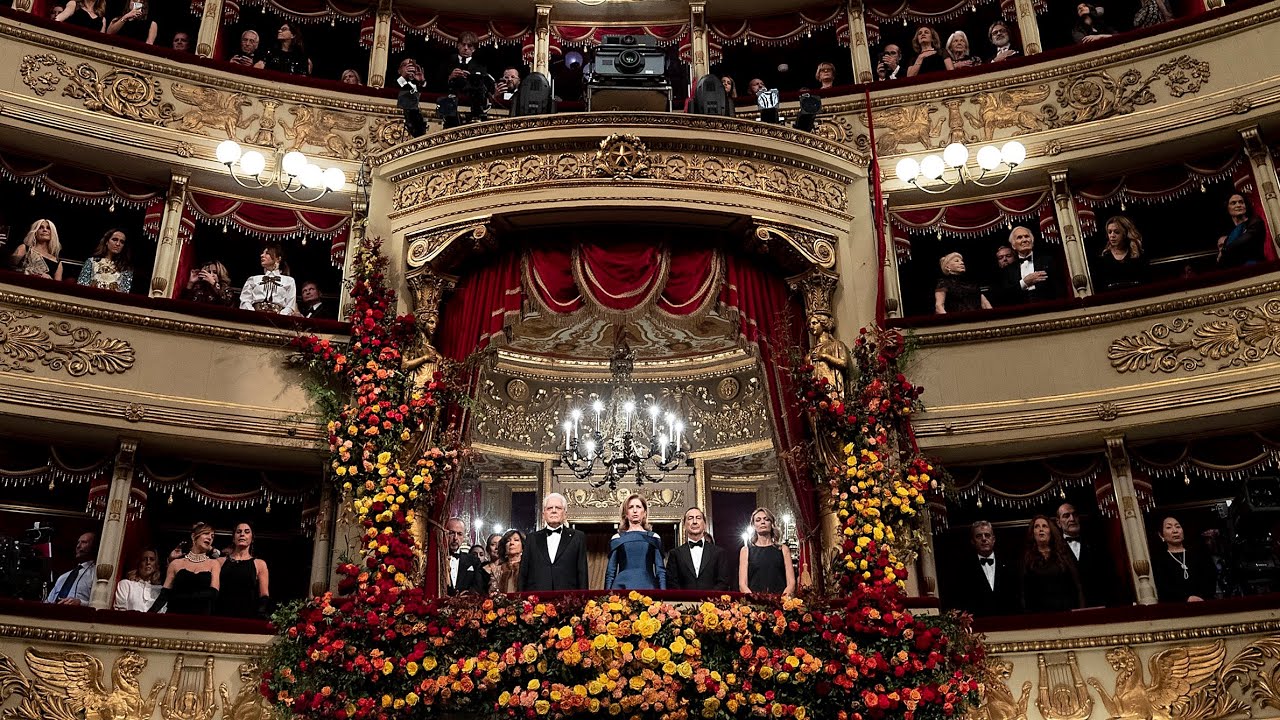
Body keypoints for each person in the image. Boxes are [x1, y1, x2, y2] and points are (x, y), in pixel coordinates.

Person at [518, 493, 588, 591]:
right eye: (549, 508)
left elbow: (582, 573)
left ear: (565, 514)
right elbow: (523, 573)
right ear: (543, 514)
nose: (554, 511)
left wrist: (583, 597)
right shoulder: (531, 539)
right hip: (537, 596)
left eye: (558, 508)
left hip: (568, 597)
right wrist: (520, 598)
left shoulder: (578, 537)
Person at [948, 521, 1018, 616]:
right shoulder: (964, 569)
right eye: (979, 536)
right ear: (973, 541)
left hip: (1008, 620)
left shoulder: (1009, 564)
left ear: (993, 539)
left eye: (987, 535)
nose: (984, 539)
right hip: (978, 622)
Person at [1056, 502, 1119, 607]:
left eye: (1075, 515)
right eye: (1066, 516)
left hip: (1098, 606)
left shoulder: (1095, 544)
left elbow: (1109, 578)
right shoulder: (1055, 549)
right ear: (1058, 522)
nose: (1072, 519)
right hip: (1069, 608)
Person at [151, 522, 221, 614]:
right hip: (175, 615)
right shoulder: (176, 563)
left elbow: (213, 593)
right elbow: (164, 595)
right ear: (193, 536)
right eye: (206, 533)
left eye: (212, 536)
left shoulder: (214, 564)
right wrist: (147, 616)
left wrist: (179, 596)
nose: (210, 538)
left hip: (200, 617)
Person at [1019, 514, 1084, 613]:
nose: (1041, 529)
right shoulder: (1026, 559)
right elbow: (1023, 592)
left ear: (1051, 531)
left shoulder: (1063, 555)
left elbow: (1076, 585)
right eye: (1037, 527)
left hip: (1065, 611)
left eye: (1044, 526)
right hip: (1038, 614)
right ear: (1032, 533)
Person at [604, 494, 668, 590]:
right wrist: (606, 596)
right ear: (626, 513)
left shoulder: (654, 537)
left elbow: (660, 571)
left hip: (649, 588)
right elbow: (610, 573)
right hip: (621, 589)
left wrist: (664, 595)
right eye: (630, 507)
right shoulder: (617, 538)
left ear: (645, 512)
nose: (635, 510)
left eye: (638, 507)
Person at [1152, 516, 1216, 603]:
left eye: (1178, 526)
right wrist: (1186, 598)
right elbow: (1163, 587)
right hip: (1177, 607)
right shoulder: (1159, 560)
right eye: (1169, 527)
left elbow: (1211, 578)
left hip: (1205, 603)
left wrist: (1201, 597)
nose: (1175, 531)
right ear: (1161, 535)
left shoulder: (1200, 554)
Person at [215, 522, 270, 619]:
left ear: (252, 538)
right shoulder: (219, 562)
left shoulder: (260, 564)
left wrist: (261, 614)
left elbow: (264, 595)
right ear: (233, 538)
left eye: (247, 532)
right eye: (238, 532)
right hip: (221, 615)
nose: (242, 534)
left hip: (247, 617)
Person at [666, 507, 729, 591]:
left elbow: (723, 582)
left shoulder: (719, 553)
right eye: (690, 518)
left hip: (712, 599)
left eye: (698, 518)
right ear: (684, 525)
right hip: (683, 599)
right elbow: (672, 583)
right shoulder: (675, 554)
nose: (694, 521)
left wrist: (709, 598)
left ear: (705, 524)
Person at [739, 507, 795, 595]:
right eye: (758, 520)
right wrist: (754, 600)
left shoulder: (783, 549)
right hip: (754, 600)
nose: (762, 522)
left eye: (766, 519)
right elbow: (742, 584)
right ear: (753, 525)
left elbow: (791, 583)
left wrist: (783, 599)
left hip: (780, 600)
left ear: (771, 523)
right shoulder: (746, 551)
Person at [998, 226, 1060, 304]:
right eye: (1019, 237)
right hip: (1021, 309)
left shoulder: (1047, 260)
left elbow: (1058, 287)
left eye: (1027, 236)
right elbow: (1005, 295)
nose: (1024, 240)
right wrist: (1024, 283)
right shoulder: (1008, 270)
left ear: (1032, 242)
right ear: (1013, 246)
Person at [1094, 215, 1148, 291]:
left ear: (1125, 233)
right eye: (1109, 232)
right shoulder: (1103, 257)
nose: (1112, 235)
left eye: (1117, 232)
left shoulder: (1138, 255)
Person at [240, 245, 297, 314]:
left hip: (278, 318)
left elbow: (290, 306)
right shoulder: (253, 279)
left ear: (278, 259)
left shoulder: (289, 281)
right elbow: (245, 301)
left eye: (267, 253)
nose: (262, 255)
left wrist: (280, 316)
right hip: (254, 316)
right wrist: (253, 314)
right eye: (262, 253)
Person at [1217, 192, 1268, 268]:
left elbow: (1245, 242)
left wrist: (1224, 251)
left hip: (1256, 268)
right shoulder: (1230, 234)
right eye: (1233, 203)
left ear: (1245, 206)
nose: (1238, 205)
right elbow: (1222, 261)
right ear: (1227, 208)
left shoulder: (1255, 222)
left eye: (1241, 202)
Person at [807, 313, 851, 399]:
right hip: (817, 391)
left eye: (814, 323)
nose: (811, 327)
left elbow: (844, 363)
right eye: (809, 324)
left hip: (832, 387)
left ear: (824, 323)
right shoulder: (812, 350)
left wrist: (824, 356)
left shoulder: (836, 344)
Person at [45, 532, 96, 605]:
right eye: (78, 543)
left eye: (84, 542)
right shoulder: (63, 577)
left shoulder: (96, 574)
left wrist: (80, 603)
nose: (78, 546)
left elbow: (100, 603)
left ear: (94, 546)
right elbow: (48, 602)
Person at [77, 228, 133, 293]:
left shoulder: (126, 268)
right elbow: (81, 285)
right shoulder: (92, 261)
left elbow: (124, 292)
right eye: (115, 240)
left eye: (122, 242)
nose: (118, 244)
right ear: (107, 241)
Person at [444, 517, 485, 595]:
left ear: (463, 537)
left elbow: (478, 587)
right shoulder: (437, 559)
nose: (455, 538)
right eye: (451, 533)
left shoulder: (473, 561)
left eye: (459, 534)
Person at [397, 58, 427, 138]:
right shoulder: (395, 83)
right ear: (399, 71)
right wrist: (403, 77)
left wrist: (422, 81)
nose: (410, 67)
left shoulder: (419, 85)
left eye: (412, 65)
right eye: (405, 65)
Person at [489, 529, 524, 593]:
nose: (511, 543)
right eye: (508, 541)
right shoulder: (497, 570)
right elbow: (493, 591)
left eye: (516, 540)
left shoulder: (527, 568)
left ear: (523, 546)